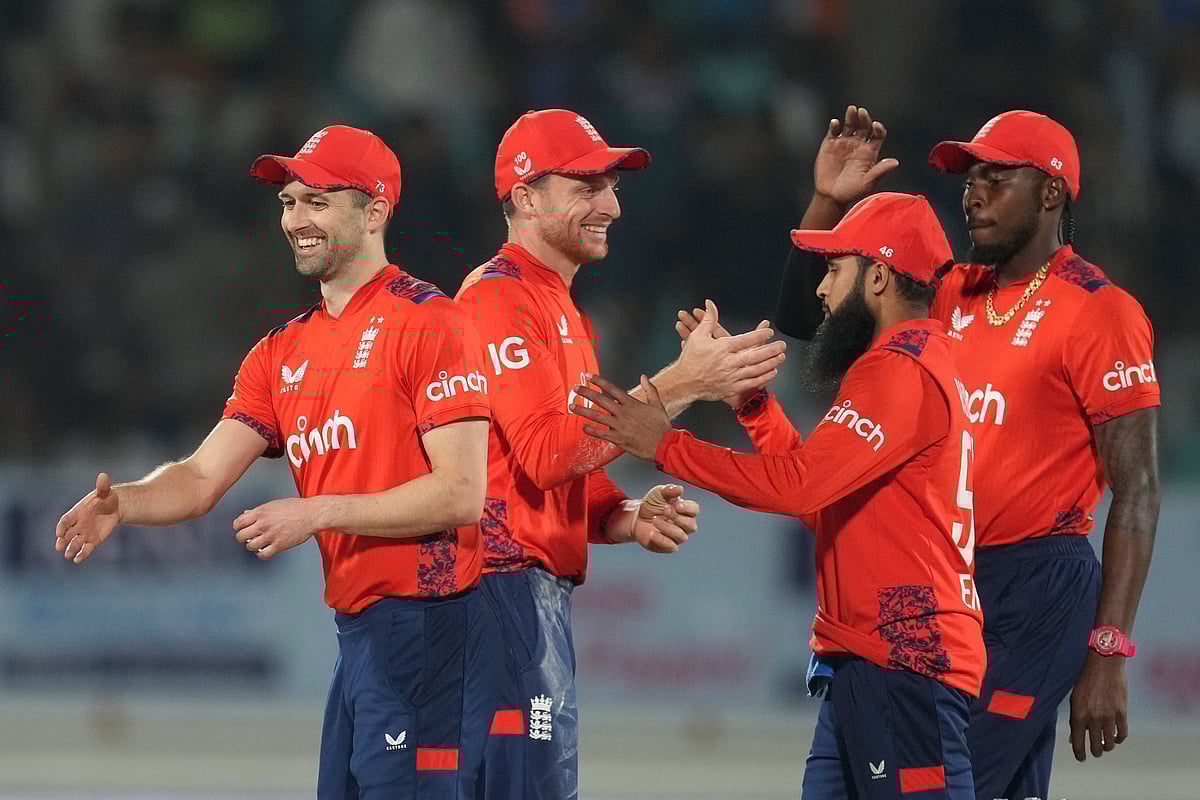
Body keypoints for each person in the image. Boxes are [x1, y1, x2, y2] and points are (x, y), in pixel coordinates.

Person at [54, 125, 500, 800]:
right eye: (289, 202)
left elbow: (462, 493)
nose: (296, 220)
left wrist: (319, 511)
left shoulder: (429, 322)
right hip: (361, 642)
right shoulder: (281, 352)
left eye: (317, 201)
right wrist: (130, 502)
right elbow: (202, 477)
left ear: (375, 211)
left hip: (432, 632)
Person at [780, 106, 1161, 800]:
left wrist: (1110, 649)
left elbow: (1138, 490)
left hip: (1035, 590)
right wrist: (833, 203)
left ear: (1051, 192)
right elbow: (811, 318)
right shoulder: (947, 291)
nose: (972, 192)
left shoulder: (1101, 312)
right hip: (940, 587)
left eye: (994, 177)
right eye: (968, 178)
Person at [574, 191, 986, 800]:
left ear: (878, 275)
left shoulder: (899, 372)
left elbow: (798, 490)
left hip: (905, 665)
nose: (820, 290)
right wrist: (752, 403)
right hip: (869, 661)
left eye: (834, 270)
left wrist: (665, 446)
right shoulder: (909, 365)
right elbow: (817, 493)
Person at [454, 108, 788, 800]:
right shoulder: (498, 299)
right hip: (497, 594)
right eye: (585, 187)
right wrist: (682, 382)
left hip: (522, 595)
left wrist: (621, 515)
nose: (611, 204)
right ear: (524, 197)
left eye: (612, 187)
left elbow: (535, 466)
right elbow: (547, 457)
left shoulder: (561, 308)